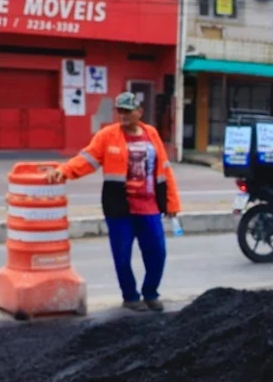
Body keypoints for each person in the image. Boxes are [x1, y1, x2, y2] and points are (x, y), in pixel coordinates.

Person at [46, 91, 180, 311]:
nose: (124, 115)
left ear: (139, 112)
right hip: (119, 207)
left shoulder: (151, 134)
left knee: (157, 251)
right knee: (122, 254)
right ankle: (130, 296)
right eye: (120, 111)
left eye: (128, 111)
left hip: (149, 206)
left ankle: (150, 292)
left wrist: (172, 202)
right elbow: (86, 159)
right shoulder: (107, 135)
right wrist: (64, 170)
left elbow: (165, 169)